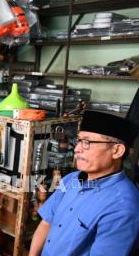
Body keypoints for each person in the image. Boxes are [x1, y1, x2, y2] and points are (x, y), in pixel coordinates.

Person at [29, 110, 139, 256]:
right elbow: (46, 224)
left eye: (87, 142)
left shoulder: (123, 206)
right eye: (79, 140)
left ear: (117, 150)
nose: (77, 149)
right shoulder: (71, 179)